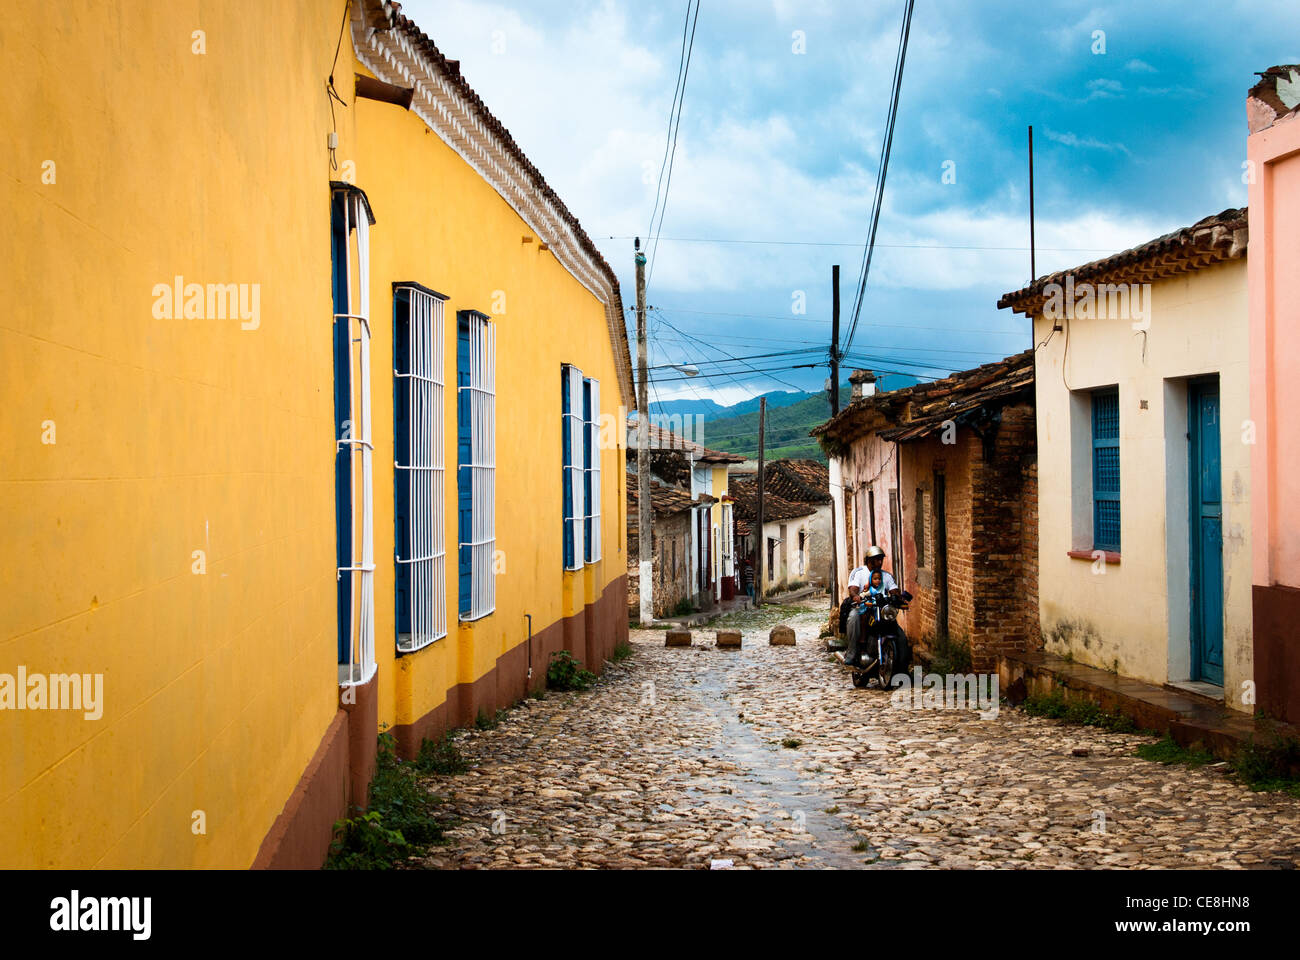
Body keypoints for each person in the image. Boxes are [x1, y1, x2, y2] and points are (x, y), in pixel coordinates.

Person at [842, 545, 899, 668]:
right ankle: (852, 653)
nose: (879, 562)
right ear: (868, 560)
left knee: (893, 623)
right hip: (862, 607)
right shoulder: (859, 572)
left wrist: (898, 596)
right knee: (853, 618)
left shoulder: (886, 576)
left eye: (881, 559)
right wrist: (856, 596)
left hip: (880, 609)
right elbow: (853, 589)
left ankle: (900, 658)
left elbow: (894, 589)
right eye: (876, 559)